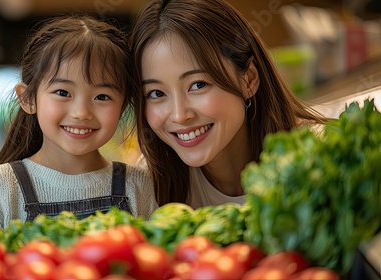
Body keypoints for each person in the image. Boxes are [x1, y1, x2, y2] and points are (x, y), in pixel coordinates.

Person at [0, 14, 158, 231]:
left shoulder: (137, 185)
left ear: (122, 106)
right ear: (27, 99)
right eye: (63, 92)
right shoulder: (2, 186)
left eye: (102, 97)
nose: (81, 113)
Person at [130, 0, 327, 207]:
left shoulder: (320, 157)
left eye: (198, 85)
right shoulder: (149, 184)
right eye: (157, 93)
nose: (180, 115)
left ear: (249, 79)